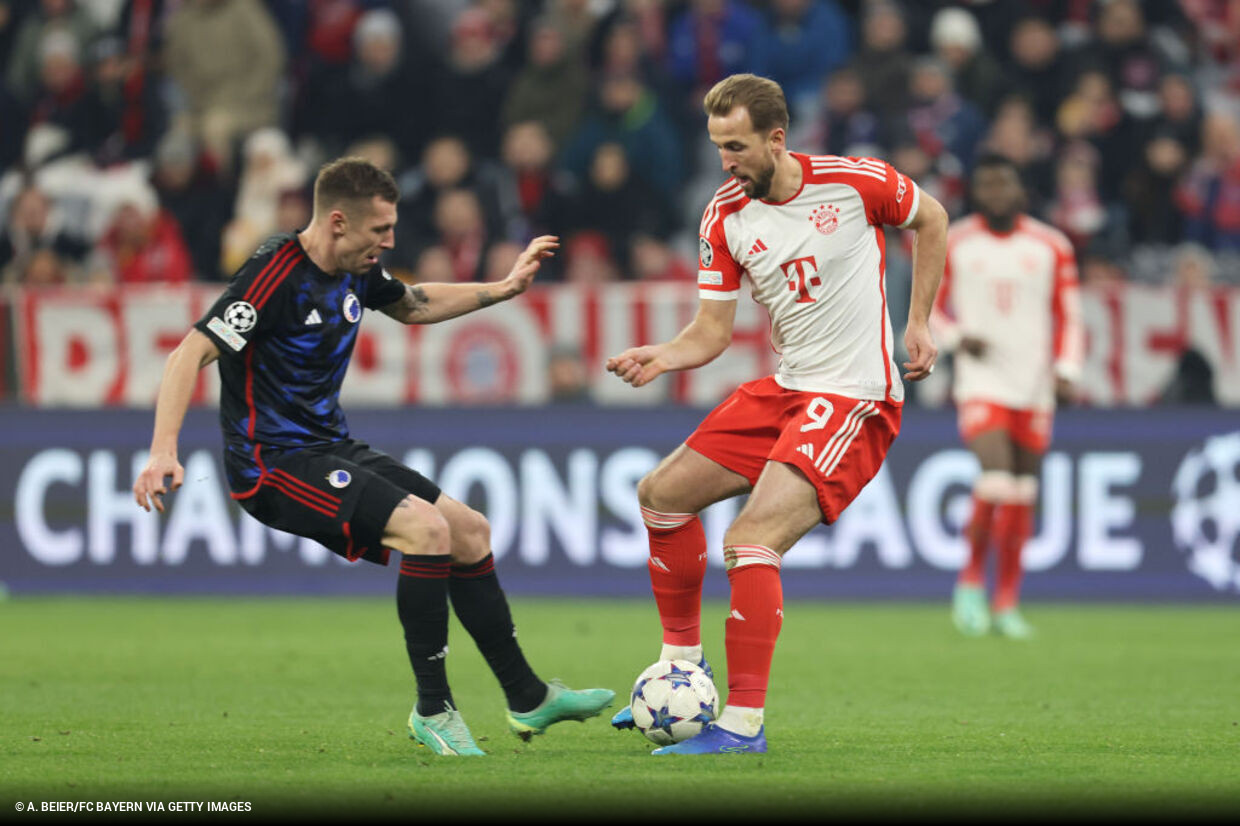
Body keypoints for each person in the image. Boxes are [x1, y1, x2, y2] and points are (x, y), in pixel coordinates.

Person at [132, 157, 613, 756]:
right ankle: (434, 709)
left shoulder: (356, 268)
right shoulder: (272, 275)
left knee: (468, 530)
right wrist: (161, 451)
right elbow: (188, 353)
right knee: (426, 529)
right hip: (271, 464)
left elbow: (412, 304)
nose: (389, 241)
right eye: (380, 230)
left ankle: (527, 696)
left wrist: (503, 289)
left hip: (329, 444)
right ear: (338, 222)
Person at [605, 74, 947, 754]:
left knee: (749, 541)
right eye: (717, 147)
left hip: (856, 395)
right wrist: (664, 357)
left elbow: (931, 218)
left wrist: (919, 323)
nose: (725, 162)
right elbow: (711, 332)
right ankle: (681, 666)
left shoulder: (854, 182)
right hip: (788, 388)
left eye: (736, 147)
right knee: (662, 495)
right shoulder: (724, 217)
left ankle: (743, 725)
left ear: (777, 138)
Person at [931, 153, 1084, 640]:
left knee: (1023, 492)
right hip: (981, 379)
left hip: (1034, 382)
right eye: (988, 185)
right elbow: (929, 308)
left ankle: (1007, 602)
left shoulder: (1050, 245)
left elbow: (1070, 315)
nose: (997, 193)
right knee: (995, 479)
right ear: (977, 193)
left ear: (1019, 191)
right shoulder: (955, 240)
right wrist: (956, 338)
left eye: (1005, 184)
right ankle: (971, 582)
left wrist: (1066, 369)